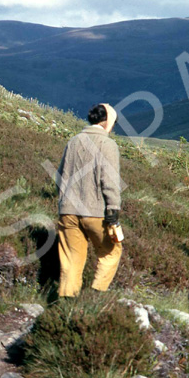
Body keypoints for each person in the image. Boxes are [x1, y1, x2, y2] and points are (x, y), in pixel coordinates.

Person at [56, 103, 123, 297]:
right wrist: (113, 208)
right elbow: (109, 181)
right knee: (111, 252)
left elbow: (60, 176)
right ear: (108, 122)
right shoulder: (107, 144)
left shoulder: (74, 141)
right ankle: (95, 295)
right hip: (95, 212)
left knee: (71, 260)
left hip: (67, 211)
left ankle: (66, 304)